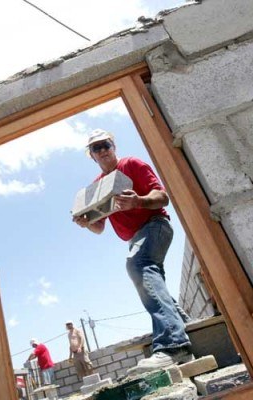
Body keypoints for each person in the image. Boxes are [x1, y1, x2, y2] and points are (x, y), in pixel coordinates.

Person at [73, 129, 194, 375]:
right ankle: (186, 327)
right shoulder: (98, 186)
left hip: (155, 225)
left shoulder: (132, 164)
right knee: (151, 278)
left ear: (113, 146)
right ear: (92, 155)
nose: (103, 150)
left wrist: (138, 201)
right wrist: (86, 224)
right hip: (135, 238)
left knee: (138, 265)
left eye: (106, 144)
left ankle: (173, 344)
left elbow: (162, 197)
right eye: (97, 148)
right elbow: (99, 226)